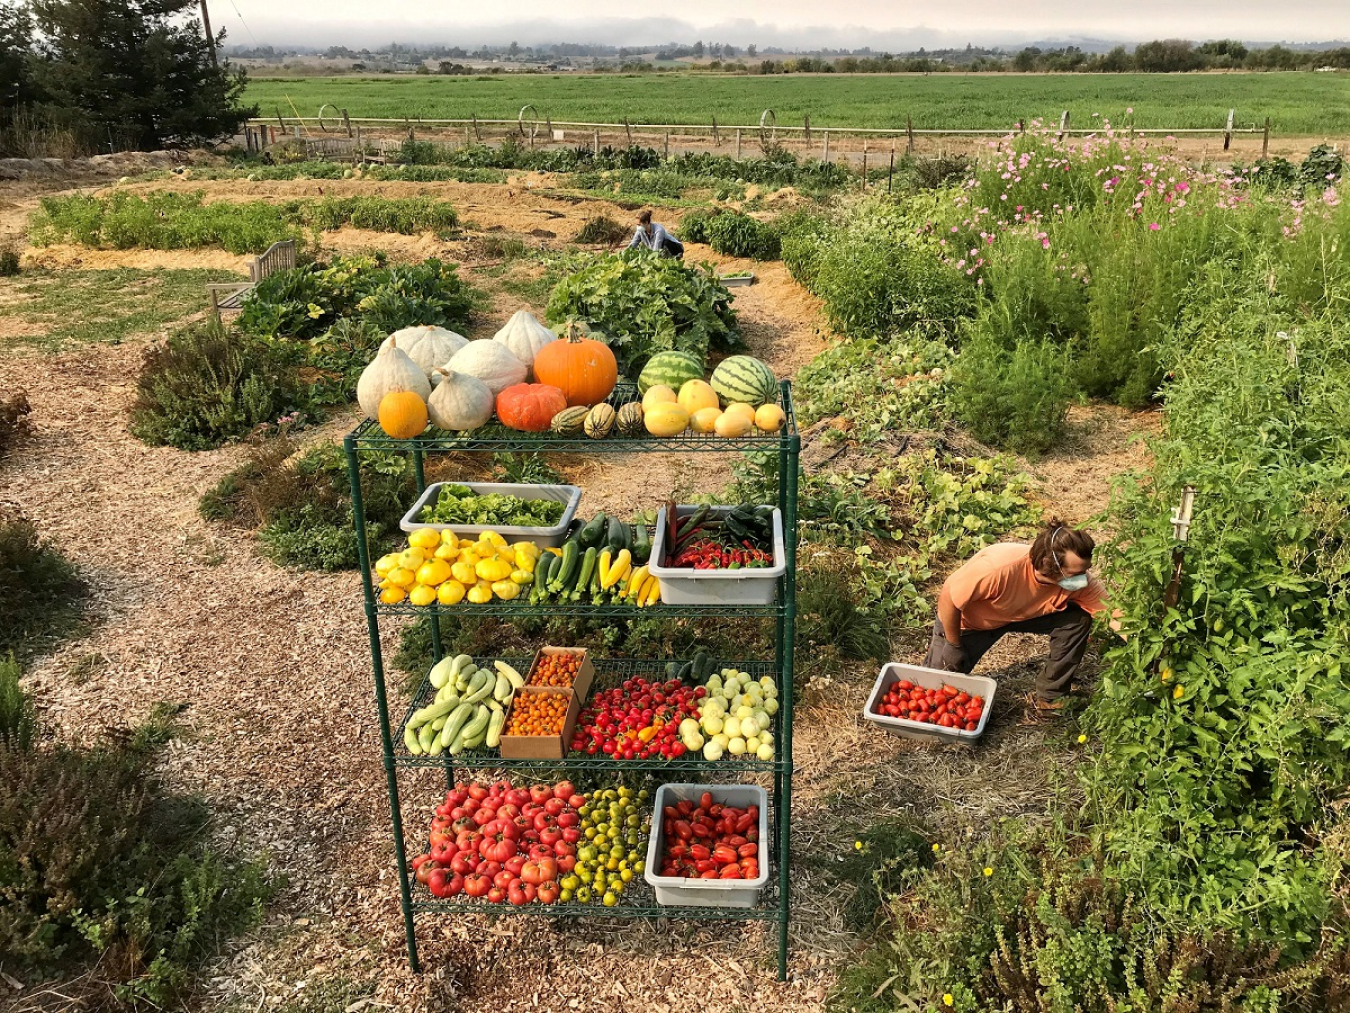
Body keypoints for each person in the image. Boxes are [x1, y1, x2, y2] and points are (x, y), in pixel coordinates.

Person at [922, 519, 1113, 711]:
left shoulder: (1078, 582)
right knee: (934, 691)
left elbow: (1115, 615)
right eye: (1075, 573)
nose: (1083, 578)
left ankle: (1052, 696)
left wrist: (1141, 650)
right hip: (970, 624)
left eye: (1084, 571)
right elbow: (949, 598)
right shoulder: (998, 568)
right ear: (1049, 565)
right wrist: (953, 644)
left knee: (1077, 621)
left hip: (1023, 615)